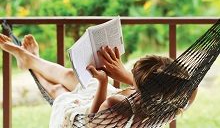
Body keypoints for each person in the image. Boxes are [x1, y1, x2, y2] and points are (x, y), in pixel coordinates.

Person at [0, 33, 197, 128]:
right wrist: (128, 78)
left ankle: (28, 61)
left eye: (133, 76)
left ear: (143, 86)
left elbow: (91, 123)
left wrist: (103, 83)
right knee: (71, 76)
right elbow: (191, 90)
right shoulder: (171, 104)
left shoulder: (117, 104)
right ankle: (31, 60)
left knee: (59, 91)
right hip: (111, 110)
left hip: (84, 119)